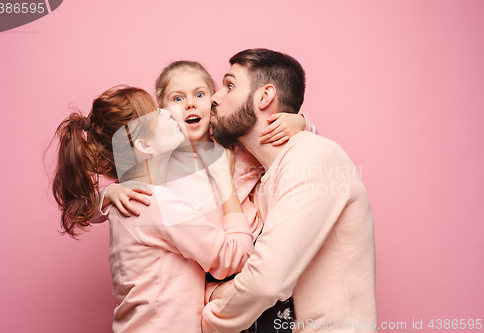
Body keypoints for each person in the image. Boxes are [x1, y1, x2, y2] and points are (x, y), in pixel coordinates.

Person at [97, 61, 319, 331]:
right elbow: (109, 203)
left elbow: (297, 149)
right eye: (177, 99)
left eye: (199, 94)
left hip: (250, 255)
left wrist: (301, 122)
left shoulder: (237, 147)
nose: (190, 104)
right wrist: (110, 191)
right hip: (210, 269)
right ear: (162, 111)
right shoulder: (159, 163)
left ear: (214, 102)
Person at [52, 86, 255, 333]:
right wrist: (226, 182)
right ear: (144, 145)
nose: (169, 112)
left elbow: (83, 209)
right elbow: (234, 258)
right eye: (156, 113)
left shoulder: (127, 195)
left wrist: (107, 193)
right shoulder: (152, 201)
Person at [202, 48, 378, 333]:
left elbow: (267, 279)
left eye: (229, 85)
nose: (214, 97)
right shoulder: (263, 179)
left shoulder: (313, 156)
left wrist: (207, 311)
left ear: (264, 96)